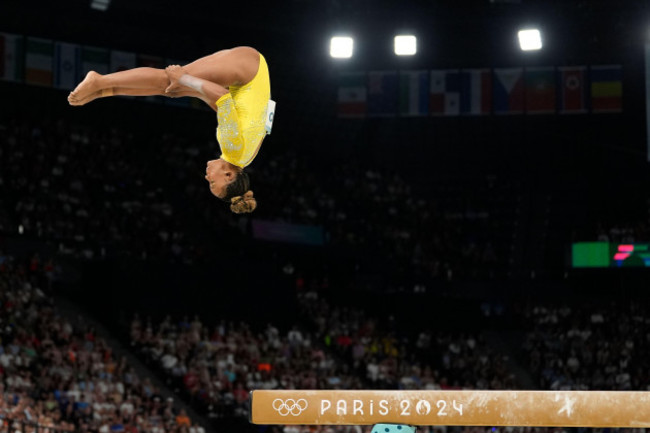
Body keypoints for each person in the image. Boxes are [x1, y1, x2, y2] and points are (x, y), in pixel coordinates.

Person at [68, 46, 273, 213]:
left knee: (173, 90)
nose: (207, 177)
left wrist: (193, 91)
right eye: (212, 183)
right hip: (247, 69)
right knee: (168, 81)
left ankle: (102, 91)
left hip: (251, 69)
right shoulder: (233, 149)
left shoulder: (243, 158)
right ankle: (99, 81)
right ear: (229, 176)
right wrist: (183, 78)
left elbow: (232, 110)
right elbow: (222, 96)